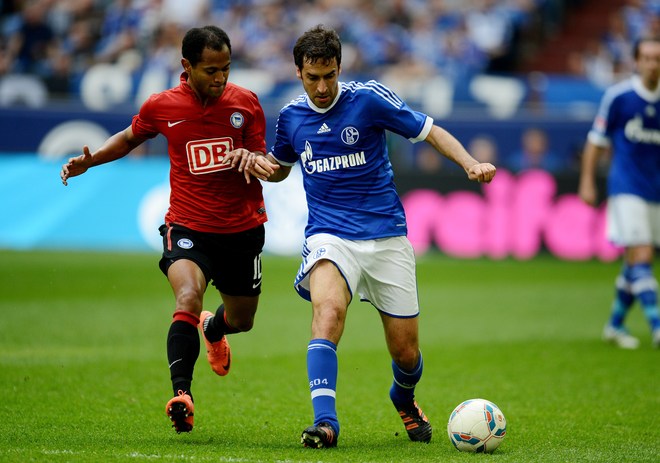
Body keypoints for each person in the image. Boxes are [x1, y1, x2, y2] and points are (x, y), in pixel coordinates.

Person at [239, 25, 496, 448]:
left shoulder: (369, 98)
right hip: (329, 235)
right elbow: (282, 164)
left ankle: (404, 397)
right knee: (328, 313)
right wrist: (262, 165)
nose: (322, 87)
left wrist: (468, 162)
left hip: (385, 234)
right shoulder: (290, 117)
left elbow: (428, 129)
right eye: (313, 78)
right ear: (298, 72)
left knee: (406, 353)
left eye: (330, 75)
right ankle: (326, 423)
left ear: (340, 68)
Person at [60, 25, 276, 433]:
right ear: (186, 66)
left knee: (243, 319)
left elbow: (263, 156)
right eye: (211, 70)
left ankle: (214, 329)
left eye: (226, 68)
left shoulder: (245, 103)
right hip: (188, 224)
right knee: (187, 295)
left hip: (241, 228)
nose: (220, 78)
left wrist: (254, 159)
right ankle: (183, 395)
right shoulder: (163, 105)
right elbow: (127, 139)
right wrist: (90, 161)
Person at [579, 35, 660, 349]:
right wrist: (587, 181)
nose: (654, 64)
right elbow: (596, 140)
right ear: (637, 62)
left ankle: (614, 325)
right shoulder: (620, 97)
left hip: (655, 190)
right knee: (641, 255)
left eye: (658, 59)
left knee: (636, 263)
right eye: (649, 58)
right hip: (626, 187)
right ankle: (656, 326)